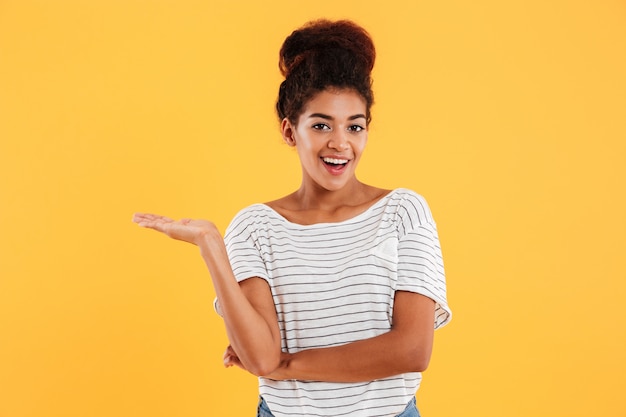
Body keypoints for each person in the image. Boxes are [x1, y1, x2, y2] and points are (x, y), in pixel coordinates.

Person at [133, 19, 451, 417]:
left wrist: (286, 364)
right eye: (321, 125)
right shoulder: (255, 227)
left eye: (355, 126)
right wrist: (210, 244)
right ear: (289, 131)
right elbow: (259, 355)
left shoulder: (403, 212)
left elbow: (412, 349)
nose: (340, 143)